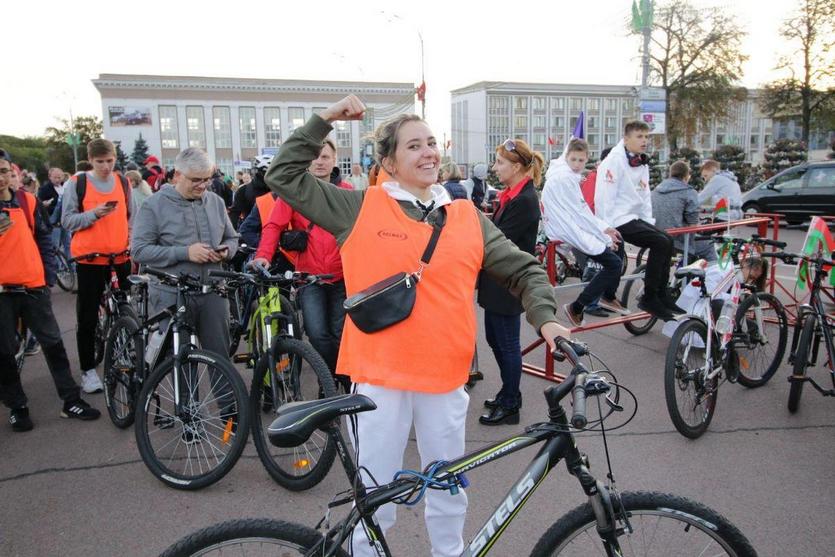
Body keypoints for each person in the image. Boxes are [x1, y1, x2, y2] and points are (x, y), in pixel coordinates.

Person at [264, 96, 571, 557]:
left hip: (445, 377)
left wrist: (547, 320)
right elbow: (282, 176)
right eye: (413, 146)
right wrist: (324, 119)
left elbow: (524, 270)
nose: (428, 152)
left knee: (447, 486)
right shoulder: (359, 208)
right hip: (379, 377)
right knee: (377, 497)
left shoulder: (466, 216)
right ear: (388, 161)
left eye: (431, 143)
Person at [0, 148, 100, 431]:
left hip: (33, 287)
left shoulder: (27, 201)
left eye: (4, 171)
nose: (1, 177)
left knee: (53, 344)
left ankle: (71, 401)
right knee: (5, 351)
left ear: (12, 173)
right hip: (2, 293)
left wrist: (47, 276)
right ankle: (17, 406)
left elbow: (44, 238)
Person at [252, 138, 352, 387]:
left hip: (343, 275)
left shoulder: (348, 192)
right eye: (315, 157)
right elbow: (274, 225)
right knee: (318, 335)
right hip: (309, 277)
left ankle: (335, 383)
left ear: (334, 161)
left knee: (341, 336)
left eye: (325, 157)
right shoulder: (294, 192)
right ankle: (331, 380)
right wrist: (263, 254)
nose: (320, 162)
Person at [131, 147, 239, 363]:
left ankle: (229, 399)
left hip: (212, 292)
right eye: (196, 180)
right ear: (177, 175)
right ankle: (186, 398)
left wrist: (226, 252)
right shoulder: (154, 205)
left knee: (220, 360)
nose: (203, 185)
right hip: (171, 294)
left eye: (207, 179)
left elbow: (232, 238)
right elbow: (139, 250)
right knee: (179, 362)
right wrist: (185, 253)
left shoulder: (215, 202)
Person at [475, 138, 545, 426]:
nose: (495, 167)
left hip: (507, 283)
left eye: (500, 163)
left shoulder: (525, 201)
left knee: (507, 344)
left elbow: (499, 242)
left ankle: (512, 403)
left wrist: (475, 223)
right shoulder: (513, 196)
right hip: (498, 283)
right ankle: (507, 392)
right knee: (496, 339)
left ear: (516, 167)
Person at [61, 139, 132, 394]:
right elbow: (67, 220)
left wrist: (130, 241)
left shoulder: (123, 182)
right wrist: (94, 214)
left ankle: (124, 354)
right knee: (88, 316)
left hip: (120, 257)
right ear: (90, 161)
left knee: (127, 310)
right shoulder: (77, 184)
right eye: (100, 161)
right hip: (90, 260)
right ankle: (88, 370)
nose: (105, 166)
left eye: (110, 160)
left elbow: (129, 216)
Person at [594, 120, 682, 321]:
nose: (645, 141)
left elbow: (644, 195)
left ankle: (661, 294)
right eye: (639, 137)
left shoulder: (641, 161)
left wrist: (648, 223)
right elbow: (604, 197)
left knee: (667, 240)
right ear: (626, 139)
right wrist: (606, 228)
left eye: (646, 137)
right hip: (616, 219)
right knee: (659, 242)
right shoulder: (613, 161)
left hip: (632, 217)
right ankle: (649, 297)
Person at [542, 139, 625, 326]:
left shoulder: (562, 173)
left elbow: (581, 211)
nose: (578, 165)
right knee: (613, 264)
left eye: (581, 161)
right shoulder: (566, 178)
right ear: (567, 157)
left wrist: (604, 228)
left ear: (587, 158)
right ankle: (578, 306)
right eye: (574, 160)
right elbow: (581, 213)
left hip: (566, 226)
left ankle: (608, 296)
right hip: (567, 230)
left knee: (618, 241)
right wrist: (603, 236)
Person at [652, 160, 718, 264]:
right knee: (708, 245)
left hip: (656, 235)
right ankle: (713, 277)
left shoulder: (656, 190)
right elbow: (693, 224)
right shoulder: (688, 192)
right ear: (686, 176)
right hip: (676, 240)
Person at [229, 155, 272, 229]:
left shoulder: (279, 190)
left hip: (276, 234)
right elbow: (234, 215)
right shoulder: (243, 190)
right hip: (253, 234)